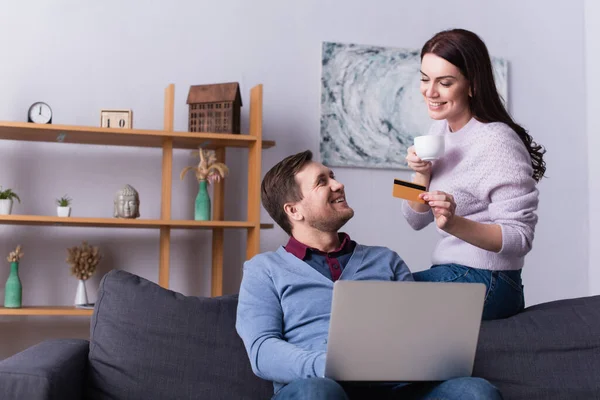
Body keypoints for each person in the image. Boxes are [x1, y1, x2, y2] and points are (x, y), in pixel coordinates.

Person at [236, 150, 503, 400]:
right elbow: (262, 350)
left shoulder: (386, 260)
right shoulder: (264, 270)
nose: (337, 185)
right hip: (317, 386)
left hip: (395, 389)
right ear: (294, 210)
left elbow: (417, 335)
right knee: (316, 393)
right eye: (321, 182)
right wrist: (329, 365)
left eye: (333, 176)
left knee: (474, 391)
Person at [403, 28, 546, 320]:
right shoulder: (438, 131)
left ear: (472, 85)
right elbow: (413, 219)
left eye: (444, 82)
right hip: (449, 269)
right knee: (376, 286)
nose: (430, 92)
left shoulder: (497, 141)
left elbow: (521, 237)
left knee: (380, 298)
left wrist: (455, 223)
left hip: (491, 279)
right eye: (424, 79)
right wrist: (419, 175)